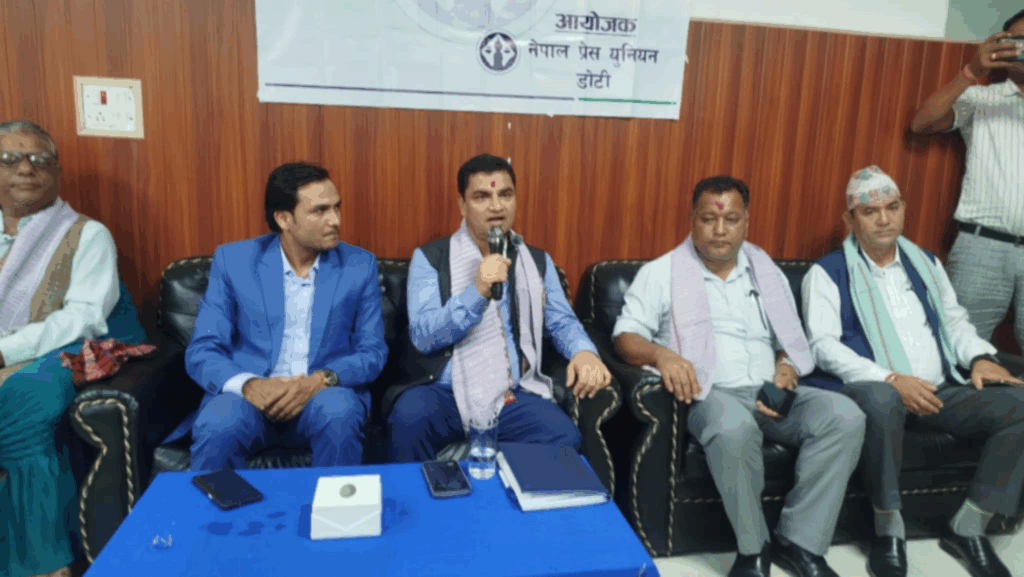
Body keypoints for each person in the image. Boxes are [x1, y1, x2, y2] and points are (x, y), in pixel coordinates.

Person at [613, 176, 866, 577]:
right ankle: (754, 549)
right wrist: (663, 355)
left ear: (746, 221)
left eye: (731, 219)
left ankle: (800, 542)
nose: (719, 230)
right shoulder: (662, 272)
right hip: (709, 392)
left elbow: (788, 339)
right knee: (734, 429)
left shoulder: (765, 270)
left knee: (845, 417)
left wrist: (786, 367)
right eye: (708, 219)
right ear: (692, 219)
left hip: (770, 392)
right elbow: (625, 337)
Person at [802, 166, 1024, 577]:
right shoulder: (827, 272)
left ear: (903, 208)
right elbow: (823, 346)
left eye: (892, 207)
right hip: (875, 392)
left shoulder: (925, 263)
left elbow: (955, 323)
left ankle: (969, 526)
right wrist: (890, 379)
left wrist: (980, 357)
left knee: (1019, 404)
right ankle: (888, 528)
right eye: (870, 212)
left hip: (939, 390)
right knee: (883, 398)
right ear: (850, 219)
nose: (884, 219)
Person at [387, 154, 611, 462]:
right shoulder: (430, 258)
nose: (496, 206)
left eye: (505, 194)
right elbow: (424, 336)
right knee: (409, 418)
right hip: (443, 394)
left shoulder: (537, 262)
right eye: (482, 196)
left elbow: (562, 322)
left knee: (563, 437)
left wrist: (584, 352)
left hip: (509, 397)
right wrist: (477, 292)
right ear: (462, 205)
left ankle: (484, 475)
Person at [167, 162, 387, 470]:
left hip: (322, 396)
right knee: (219, 422)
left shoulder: (359, 266)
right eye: (320, 211)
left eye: (337, 208)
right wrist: (250, 386)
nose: (335, 220)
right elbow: (203, 349)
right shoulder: (234, 261)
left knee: (339, 412)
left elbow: (372, 352)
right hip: (250, 400)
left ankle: (335, 504)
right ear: (284, 219)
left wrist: (320, 381)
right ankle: (213, 504)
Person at [0, 120, 147, 577]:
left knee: (23, 399)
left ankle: (44, 561)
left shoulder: (86, 234)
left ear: (57, 172)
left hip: (70, 348)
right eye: (10, 159)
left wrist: (5, 353)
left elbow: (82, 317)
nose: (27, 168)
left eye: (40, 159)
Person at [910, 10, 1024, 347]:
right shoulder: (981, 98)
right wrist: (971, 72)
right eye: (1018, 40)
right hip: (981, 248)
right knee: (958, 349)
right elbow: (922, 123)